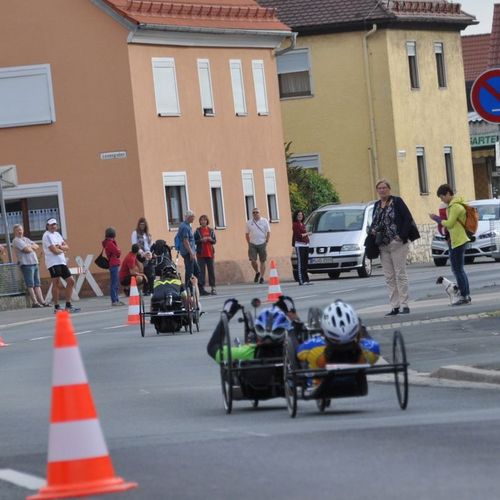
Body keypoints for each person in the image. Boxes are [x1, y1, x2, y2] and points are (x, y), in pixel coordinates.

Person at [370, 179, 419, 316]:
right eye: (379, 188)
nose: (382, 190)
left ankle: (405, 304)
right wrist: (373, 230)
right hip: (383, 245)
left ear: (389, 189)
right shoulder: (376, 205)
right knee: (389, 277)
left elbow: (407, 219)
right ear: (377, 190)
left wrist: (401, 236)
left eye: (384, 187)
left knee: (400, 274)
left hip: (397, 243)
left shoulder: (397, 202)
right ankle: (394, 306)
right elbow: (374, 221)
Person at [296, 300, 380, 371]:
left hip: (320, 388)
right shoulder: (371, 350)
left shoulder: (311, 349)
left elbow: (299, 354)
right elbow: (370, 342)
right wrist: (362, 331)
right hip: (357, 386)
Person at [207, 300, 293, 363]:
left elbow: (212, 348)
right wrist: (293, 314)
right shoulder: (296, 353)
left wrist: (226, 315)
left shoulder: (246, 353)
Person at [429, 184, 471, 305]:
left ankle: (464, 295)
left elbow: (450, 223)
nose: (442, 200)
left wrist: (437, 218)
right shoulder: (454, 205)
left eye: (442, 197)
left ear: (448, 193)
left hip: (458, 240)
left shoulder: (455, 206)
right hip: (457, 239)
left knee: (458, 270)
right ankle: (466, 294)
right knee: (459, 269)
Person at [42, 218, 80, 313]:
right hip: (53, 263)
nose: (53, 226)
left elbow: (67, 247)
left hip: (61, 261)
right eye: (51, 224)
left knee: (71, 281)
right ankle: (57, 307)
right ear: (47, 226)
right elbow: (54, 251)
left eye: (55, 224)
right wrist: (62, 249)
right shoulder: (46, 236)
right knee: (56, 283)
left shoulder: (57, 234)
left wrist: (61, 248)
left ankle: (68, 305)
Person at [12, 224, 49, 308]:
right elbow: (27, 250)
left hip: (34, 263)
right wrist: (30, 246)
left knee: (37, 284)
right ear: (14, 232)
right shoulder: (16, 240)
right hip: (26, 264)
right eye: (18, 230)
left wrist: (30, 246)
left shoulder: (26, 239)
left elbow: (37, 246)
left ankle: (42, 302)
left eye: (21, 229)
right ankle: (35, 302)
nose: (20, 231)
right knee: (30, 284)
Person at [245, 207, 270, 284]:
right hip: (252, 243)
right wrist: (249, 243)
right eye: (254, 212)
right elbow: (246, 234)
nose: (255, 214)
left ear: (259, 213)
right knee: (253, 260)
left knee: (262, 261)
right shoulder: (249, 222)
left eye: (257, 212)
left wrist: (267, 241)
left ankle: (262, 277)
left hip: (262, 243)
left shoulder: (264, 221)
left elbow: (268, 232)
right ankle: (257, 272)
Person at [177, 210, 200, 290]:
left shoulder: (186, 226)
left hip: (190, 252)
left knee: (195, 270)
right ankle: (188, 288)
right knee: (191, 271)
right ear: (189, 217)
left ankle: (193, 287)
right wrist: (191, 253)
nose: (194, 219)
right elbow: (185, 241)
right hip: (187, 252)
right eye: (193, 217)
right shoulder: (185, 227)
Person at [194, 215, 217, 296]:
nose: (203, 221)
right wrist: (201, 240)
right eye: (201, 220)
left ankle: (213, 288)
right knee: (201, 271)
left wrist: (211, 240)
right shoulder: (197, 231)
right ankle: (201, 288)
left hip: (210, 253)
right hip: (201, 253)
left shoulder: (211, 230)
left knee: (211, 271)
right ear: (200, 222)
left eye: (205, 220)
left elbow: (215, 241)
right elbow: (194, 241)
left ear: (207, 221)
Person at [131, 217, 154, 295]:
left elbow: (151, 245)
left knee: (151, 272)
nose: (142, 226)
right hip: (140, 254)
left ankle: (151, 289)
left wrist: (150, 253)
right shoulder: (135, 233)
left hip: (148, 253)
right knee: (145, 271)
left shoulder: (148, 234)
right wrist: (142, 253)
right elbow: (134, 245)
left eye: (143, 225)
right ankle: (146, 289)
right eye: (141, 224)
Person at [102, 227, 124, 306]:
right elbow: (117, 253)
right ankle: (114, 300)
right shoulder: (110, 243)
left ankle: (116, 299)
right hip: (114, 264)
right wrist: (119, 250)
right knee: (114, 283)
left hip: (113, 264)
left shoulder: (108, 242)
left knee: (115, 283)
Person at [292, 210, 312, 286]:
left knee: (305, 263)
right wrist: (307, 233)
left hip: (306, 244)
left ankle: (306, 279)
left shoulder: (302, 224)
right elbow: (299, 235)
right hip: (299, 245)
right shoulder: (295, 224)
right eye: (298, 215)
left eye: (301, 215)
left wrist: (306, 235)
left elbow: (303, 234)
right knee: (300, 263)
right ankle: (301, 280)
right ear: (296, 216)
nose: (300, 216)